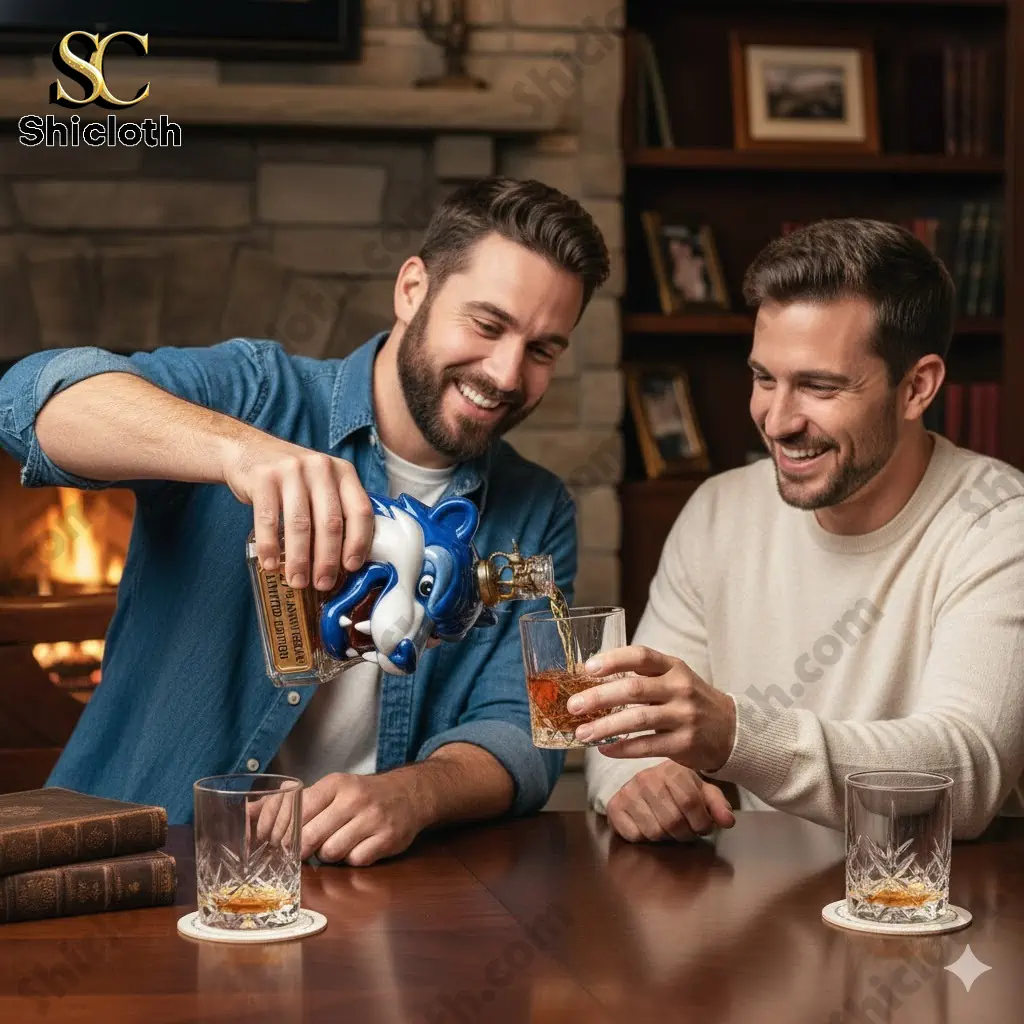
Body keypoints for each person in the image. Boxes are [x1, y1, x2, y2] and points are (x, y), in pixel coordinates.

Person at [0, 176, 610, 865]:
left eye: (542, 350)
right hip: (137, 861)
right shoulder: (259, 394)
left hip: (360, 886)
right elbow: (28, 402)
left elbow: (525, 730)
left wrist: (413, 794)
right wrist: (239, 452)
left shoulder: (538, 508)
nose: (506, 374)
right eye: (488, 325)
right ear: (413, 289)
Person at [581, 218, 1024, 844]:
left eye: (819, 386)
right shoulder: (718, 511)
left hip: (939, 901)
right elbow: (628, 722)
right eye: (765, 378)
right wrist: (643, 780)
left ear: (916, 388)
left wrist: (735, 736)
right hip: (763, 895)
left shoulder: (1000, 522)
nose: (777, 420)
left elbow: (965, 772)